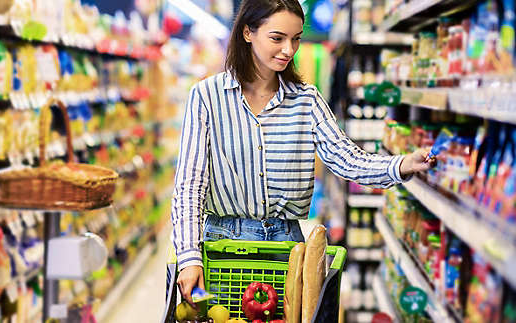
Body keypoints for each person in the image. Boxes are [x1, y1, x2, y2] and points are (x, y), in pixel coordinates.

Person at [171, 0, 434, 306]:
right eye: (277, 38)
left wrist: (402, 164)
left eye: (295, 39)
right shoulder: (206, 97)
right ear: (247, 32)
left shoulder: (307, 100)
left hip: (287, 252)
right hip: (224, 250)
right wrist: (190, 257)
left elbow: (347, 159)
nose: (289, 50)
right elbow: (190, 186)